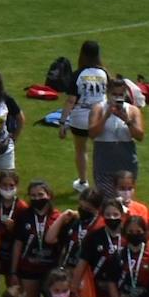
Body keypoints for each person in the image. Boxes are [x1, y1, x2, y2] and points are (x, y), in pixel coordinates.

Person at [61, 41, 109, 192]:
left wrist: (63, 122)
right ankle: (103, 183)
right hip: (100, 116)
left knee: (81, 150)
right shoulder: (104, 73)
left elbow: (70, 100)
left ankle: (83, 182)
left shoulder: (78, 74)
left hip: (81, 118)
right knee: (101, 151)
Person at [88, 77, 143, 198]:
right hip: (104, 164)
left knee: (125, 201)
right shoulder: (98, 108)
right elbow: (92, 134)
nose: (117, 97)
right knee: (106, 201)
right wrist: (106, 116)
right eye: (114, 94)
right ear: (107, 93)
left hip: (127, 164)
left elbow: (140, 136)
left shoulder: (133, 110)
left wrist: (127, 120)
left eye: (120, 94)